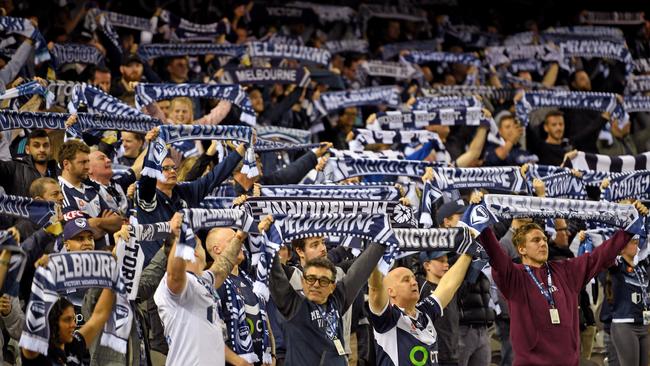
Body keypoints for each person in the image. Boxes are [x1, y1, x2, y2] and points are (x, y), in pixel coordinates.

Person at [475, 192, 647, 365]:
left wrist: (629, 229)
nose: (543, 243)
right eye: (535, 240)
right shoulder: (514, 276)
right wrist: (479, 215)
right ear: (521, 249)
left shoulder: (566, 270)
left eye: (544, 239)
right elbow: (495, 254)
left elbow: (600, 256)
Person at [263, 216, 387, 366]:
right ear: (303, 281)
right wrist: (264, 234)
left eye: (323, 281)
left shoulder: (338, 300)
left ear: (333, 286)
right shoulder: (293, 305)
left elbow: (364, 266)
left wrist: (386, 228)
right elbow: (271, 267)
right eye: (310, 279)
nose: (316, 284)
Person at [134, 127, 245, 263]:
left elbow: (214, 177)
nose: (172, 171)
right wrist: (153, 148)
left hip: (188, 265)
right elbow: (147, 177)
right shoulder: (147, 196)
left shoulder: (185, 191)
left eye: (174, 168)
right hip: (158, 269)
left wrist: (242, 149)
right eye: (165, 169)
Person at [154, 221, 248, 366]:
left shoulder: (202, 280)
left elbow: (222, 267)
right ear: (195, 251)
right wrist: (180, 236)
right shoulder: (172, 283)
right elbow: (175, 276)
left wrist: (239, 237)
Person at [367, 247, 473, 365]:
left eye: (413, 277)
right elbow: (375, 288)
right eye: (406, 280)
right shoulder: (388, 318)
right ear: (390, 291)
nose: (414, 282)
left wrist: (468, 252)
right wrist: (374, 252)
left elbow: (449, 285)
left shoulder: (425, 312)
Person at [20, 259, 117, 365]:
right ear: (51, 321)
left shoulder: (74, 345)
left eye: (73, 319)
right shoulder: (39, 352)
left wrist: (113, 274)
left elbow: (100, 315)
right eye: (67, 320)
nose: (74, 325)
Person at [208, 227, 273, 366]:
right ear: (217, 249)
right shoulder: (210, 285)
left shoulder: (250, 280)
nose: (241, 244)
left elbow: (266, 319)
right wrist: (238, 362)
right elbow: (208, 333)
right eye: (234, 240)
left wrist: (272, 356)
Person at [58, 139, 122, 248]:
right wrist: (105, 224)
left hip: (102, 256)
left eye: (88, 161)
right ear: (66, 164)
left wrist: (96, 222)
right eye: (83, 162)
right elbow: (79, 233)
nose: (88, 166)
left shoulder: (91, 189)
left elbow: (118, 223)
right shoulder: (60, 193)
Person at [606, 235, 649, 366]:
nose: (636, 243)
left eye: (636, 241)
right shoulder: (617, 264)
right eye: (631, 241)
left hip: (644, 323)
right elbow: (607, 254)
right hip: (624, 324)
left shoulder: (642, 265)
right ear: (621, 247)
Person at [418, 251, 461, 366]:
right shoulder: (419, 286)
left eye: (447, 261)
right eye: (441, 261)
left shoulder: (452, 288)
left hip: (452, 353)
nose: (446, 264)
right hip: (431, 354)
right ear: (427, 265)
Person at [0, 129, 60, 197]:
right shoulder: (14, 168)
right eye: (36, 145)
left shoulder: (60, 171)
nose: (42, 149)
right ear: (27, 150)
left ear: (51, 149)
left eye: (45, 145)